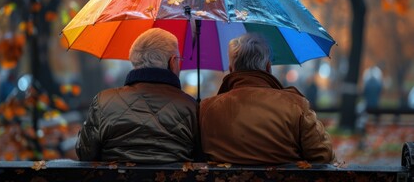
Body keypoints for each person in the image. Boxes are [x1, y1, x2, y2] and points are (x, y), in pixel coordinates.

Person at [199, 33, 335, 165]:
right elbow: (323, 156)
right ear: (268, 67)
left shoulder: (206, 109)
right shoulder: (295, 105)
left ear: (231, 69)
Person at [76, 28, 199, 163]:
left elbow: (85, 153)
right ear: (173, 61)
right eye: (179, 59)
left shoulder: (103, 101)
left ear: (134, 60)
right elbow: (200, 158)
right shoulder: (191, 106)